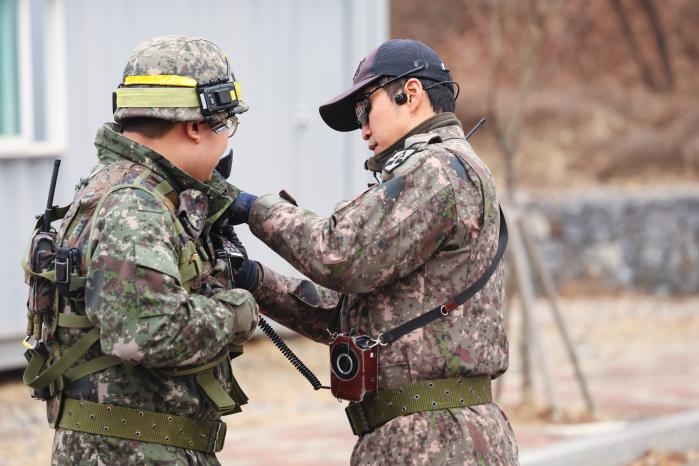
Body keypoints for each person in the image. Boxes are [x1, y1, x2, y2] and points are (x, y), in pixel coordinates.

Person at [225, 39, 519, 465]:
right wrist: (253, 279)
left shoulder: (434, 169)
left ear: (411, 94)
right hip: (423, 433)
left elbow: (339, 254)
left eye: (365, 108)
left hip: (434, 439)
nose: (362, 129)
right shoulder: (439, 171)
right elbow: (346, 317)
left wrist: (252, 208)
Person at [22, 35, 259, 465]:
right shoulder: (135, 204)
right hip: (135, 453)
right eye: (224, 125)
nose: (225, 142)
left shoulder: (117, 187)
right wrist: (238, 312)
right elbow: (145, 331)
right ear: (195, 126)